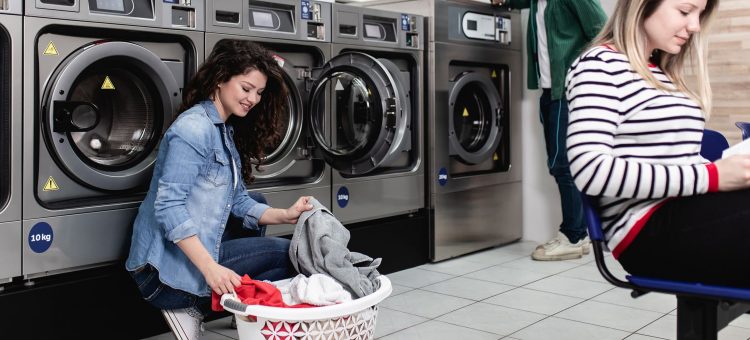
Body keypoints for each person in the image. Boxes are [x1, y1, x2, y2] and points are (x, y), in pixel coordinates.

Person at [125, 40, 314, 340]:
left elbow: (237, 200)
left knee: (258, 201)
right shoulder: (194, 129)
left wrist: (286, 214)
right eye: (246, 88)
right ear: (221, 79)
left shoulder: (222, 129)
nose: (253, 99)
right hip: (162, 274)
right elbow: (168, 207)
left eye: (259, 93)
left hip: (187, 255)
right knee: (288, 253)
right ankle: (188, 304)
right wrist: (210, 268)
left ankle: (236, 305)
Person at [566, 0, 750, 287]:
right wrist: (713, 176)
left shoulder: (661, 72)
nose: (695, 26)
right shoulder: (599, 66)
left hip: (684, 210)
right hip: (646, 229)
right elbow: (590, 171)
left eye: (699, 15)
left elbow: (675, 161)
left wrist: (731, 171)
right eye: (684, 11)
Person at [491, 0, 608, 260]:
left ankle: (574, 236)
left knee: (563, 164)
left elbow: (603, 31)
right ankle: (580, 232)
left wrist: (585, 74)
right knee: (562, 162)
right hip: (550, 90)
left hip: (568, 90)